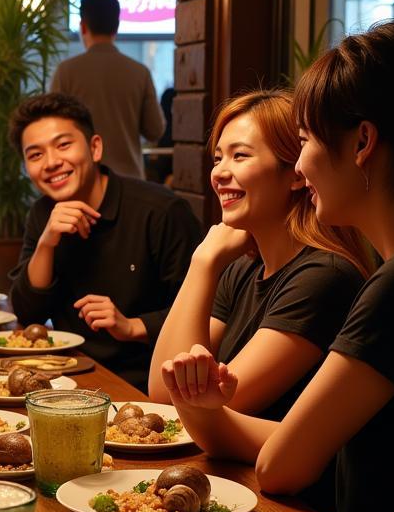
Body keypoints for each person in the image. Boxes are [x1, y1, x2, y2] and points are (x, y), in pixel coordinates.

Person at [159, 20, 394, 512]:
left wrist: (207, 409)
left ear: (362, 144)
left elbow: (282, 465)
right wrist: (206, 407)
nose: (304, 168)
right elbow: (305, 444)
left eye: (305, 141)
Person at [148, 89, 371, 423]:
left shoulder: (325, 276)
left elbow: (213, 407)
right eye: (218, 158)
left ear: (296, 173)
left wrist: (204, 263)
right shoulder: (244, 268)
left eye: (240, 156)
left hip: (269, 474)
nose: (219, 173)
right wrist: (203, 264)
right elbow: (163, 392)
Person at [8, 92, 201, 391]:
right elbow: (27, 314)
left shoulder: (160, 212)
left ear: (95, 148)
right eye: (35, 155)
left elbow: (205, 313)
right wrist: (47, 242)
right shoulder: (42, 212)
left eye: (63, 145)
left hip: (147, 385)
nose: (51, 162)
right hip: (67, 379)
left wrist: (131, 325)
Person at [50, 0, 166, 180]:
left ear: (83, 26)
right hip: (130, 182)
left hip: (81, 180)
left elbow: (53, 131)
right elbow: (155, 130)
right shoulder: (139, 72)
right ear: (117, 27)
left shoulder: (66, 72)